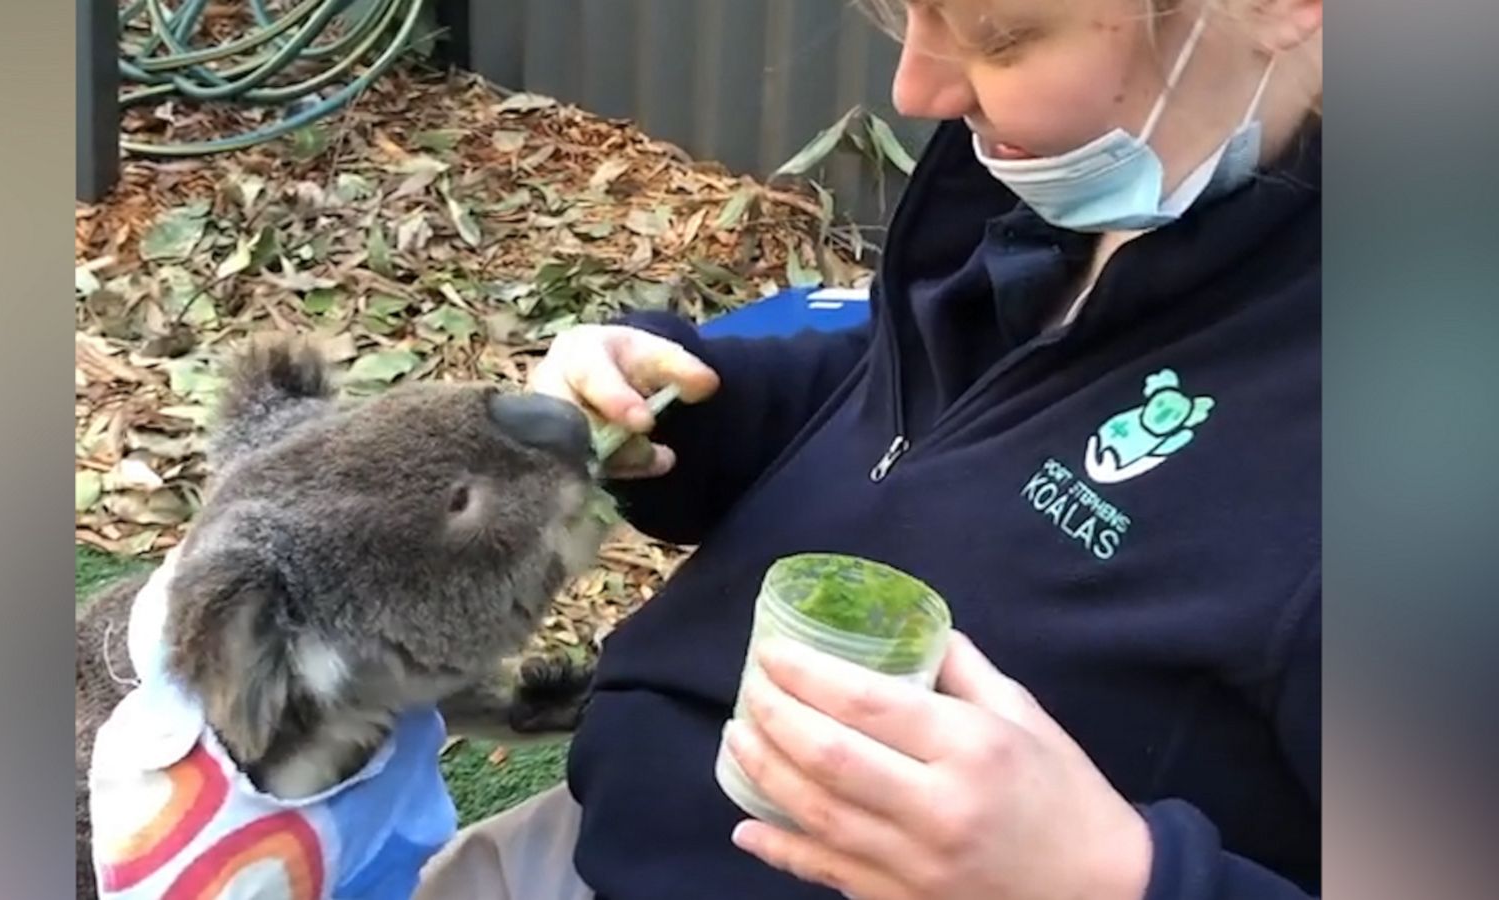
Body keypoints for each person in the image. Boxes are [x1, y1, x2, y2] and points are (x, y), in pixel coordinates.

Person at [415, 1, 1322, 897]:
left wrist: (1119, 879)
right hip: (602, 834)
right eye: (907, 15)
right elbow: (911, 392)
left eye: (1001, 37)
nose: (916, 88)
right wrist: (680, 405)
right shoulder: (1082, 174)